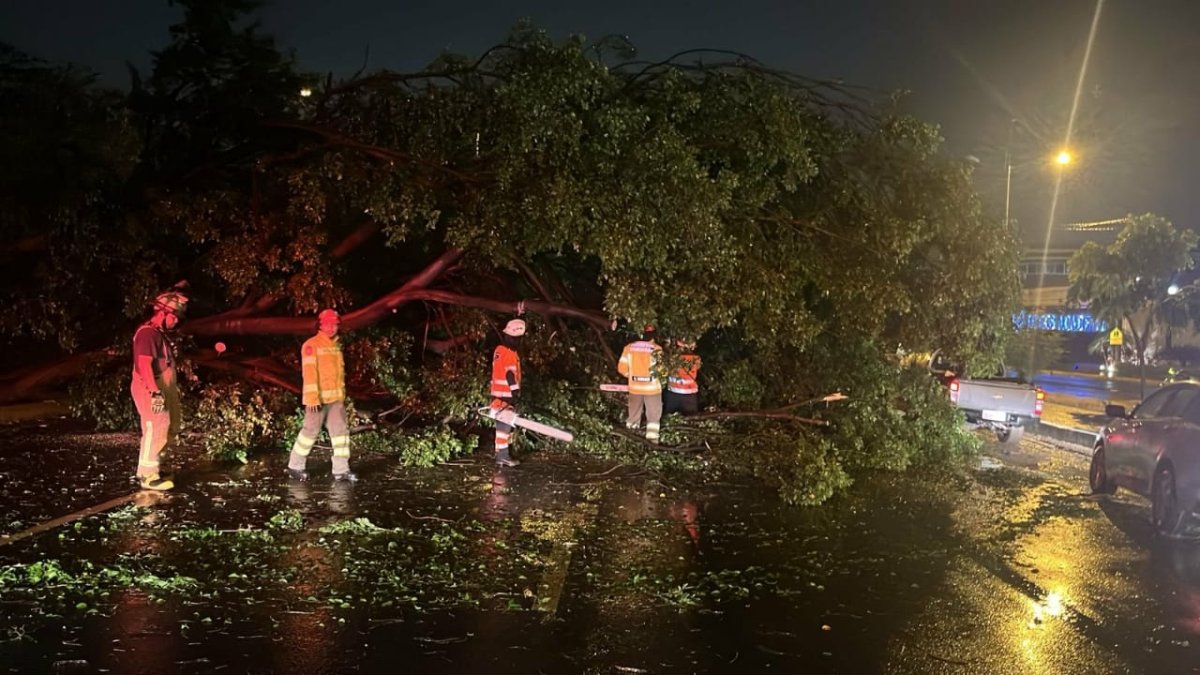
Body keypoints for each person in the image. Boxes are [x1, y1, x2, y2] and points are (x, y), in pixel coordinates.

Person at [286, 309, 356, 482]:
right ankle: (295, 466)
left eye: (335, 324)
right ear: (321, 324)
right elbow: (309, 374)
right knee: (310, 432)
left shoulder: (335, 346)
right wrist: (311, 399)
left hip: (336, 400)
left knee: (340, 434)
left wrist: (341, 396)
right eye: (328, 324)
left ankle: (341, 470)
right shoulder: (311, 345)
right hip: (317, 400)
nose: (332, 328)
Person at [130, 288, 189, 490]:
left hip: (164, 386)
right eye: (175, 316)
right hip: (151, 386)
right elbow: (144, 365)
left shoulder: (159, 335)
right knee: (155, 427)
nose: (176, 321)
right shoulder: (147, 334)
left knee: (171, 425)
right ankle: (147, 475)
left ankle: (156, 466)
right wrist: (155, 392)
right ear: (163, 313)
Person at [618, 325, 664, 442]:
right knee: (653, 417)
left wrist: (632, 376)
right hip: (652, 390)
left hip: (635, 389)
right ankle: (652, 442)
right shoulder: (657, 349)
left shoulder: (629, 348)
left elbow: (622, 368)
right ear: (653, 334)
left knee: (633, 416)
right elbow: (662, 371)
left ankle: (631, 441)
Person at [489, 318, 525, 467]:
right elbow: (510, 374)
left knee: (501, 429)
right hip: (506, 397)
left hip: (497, 396)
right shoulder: (509, 353)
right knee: (504, 429)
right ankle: (503, 457)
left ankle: (500, 456)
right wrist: (515, 392)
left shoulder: (499, 350)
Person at [664, 339, 701, 415]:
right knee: (691, 419)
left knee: (671, 418)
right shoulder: (696, 359)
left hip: (673, 394)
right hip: (690, 394)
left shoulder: (672, 358)